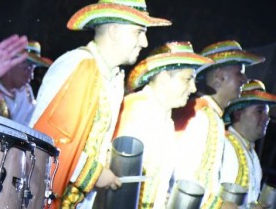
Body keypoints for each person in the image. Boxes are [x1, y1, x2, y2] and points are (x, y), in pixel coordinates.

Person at [29, 0, 171, 208]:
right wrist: (96, 173)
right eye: (139, 32)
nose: (145, 42)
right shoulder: (80, 64)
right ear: (114, 30)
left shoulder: (112, 78)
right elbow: (49, 140)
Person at [115, 41, 211, 208]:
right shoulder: (137, 111)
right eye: (188, 79)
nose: (193, 88)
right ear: (164, 77)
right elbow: (119, 186)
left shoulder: (164, 119)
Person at [172, 40, 264, 209]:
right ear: (219, 76)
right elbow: (186, 180)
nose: (244, 79)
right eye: (239, 73)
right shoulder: (200, 115)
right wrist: (219, 205)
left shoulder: (210, 115)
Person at [221, 79, 276, 207]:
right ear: (238, 113)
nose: (267, 117)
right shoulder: (225, 145)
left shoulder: (250, 153)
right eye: (259, 111)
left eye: (267, 112)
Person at [0, 40, 52, 126]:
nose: (31, 76)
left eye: (33, 69)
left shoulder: (26, 91)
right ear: (9, 64)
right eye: (27, 68)